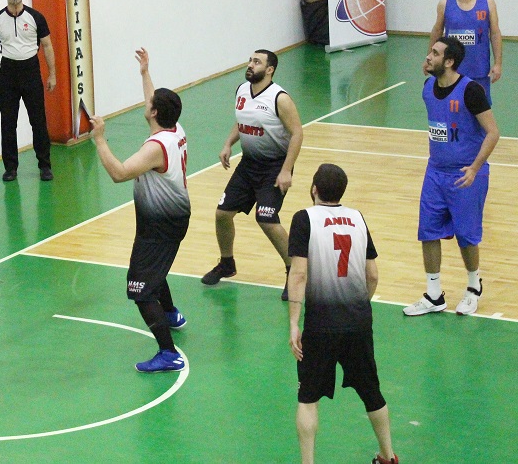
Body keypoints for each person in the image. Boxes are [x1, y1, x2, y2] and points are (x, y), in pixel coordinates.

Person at [287, 163, 398, 464]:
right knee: (372, 392)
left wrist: (294, 323)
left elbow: (299, 274)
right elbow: (372, 274)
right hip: (358, 322)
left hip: (320, 326)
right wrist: (359, 304)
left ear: (314, 189)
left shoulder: (304, 219)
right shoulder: (358, 218)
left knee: (308, 398)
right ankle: (388, 457)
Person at [89, 48, 190, 373]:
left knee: (140, 288)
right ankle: (171, 313)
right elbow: (154, 101)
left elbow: (119, 173)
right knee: (155, 269)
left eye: (150, 104)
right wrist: (145, 72)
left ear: (155, 112)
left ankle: (168, 353)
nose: (147, 104)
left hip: (160, 225)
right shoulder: (175, 130)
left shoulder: (154, 148)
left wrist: (100, 140)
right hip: (171, 219)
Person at [404, 36, 499, 316]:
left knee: (466, 236)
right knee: (428, 231)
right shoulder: (428, 87)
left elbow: (493, 133)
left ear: (449, 62)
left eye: (434, 53)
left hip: (466, 175)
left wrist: (475, 168)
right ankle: (434, 295)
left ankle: (473, 286)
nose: (428, 56)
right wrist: (429, 67)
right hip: (435, 172)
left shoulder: (471, 91)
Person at [201, 49, 304, 300]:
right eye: (250, 60)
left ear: (269, 70)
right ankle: (227, 263)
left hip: (274, 167)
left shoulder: (280, 98)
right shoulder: (242, 91)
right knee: (222, 214)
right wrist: (228, 144)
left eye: (257, 62)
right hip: (248, 165)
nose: (250, 65)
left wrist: (286, 170)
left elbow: (297, 133)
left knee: (266, 219)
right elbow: (242, 121)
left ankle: (293, 272)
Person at [0, 0, 57, 182]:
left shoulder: (36, 17)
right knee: (8, 123)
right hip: (8, 73)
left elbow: (47, 45)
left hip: (30, 70)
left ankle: (45, 166)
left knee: (38, 121)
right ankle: (10, 168)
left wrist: (52, 74)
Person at [429, 0, 503, 103]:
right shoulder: (445, 4)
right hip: (451, 69)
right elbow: (437, 31)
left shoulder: (487, 3)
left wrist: (498, 63)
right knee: (452, 106)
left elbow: (495, 34)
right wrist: (429, 57)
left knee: (479, 107)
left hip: (479, 69)